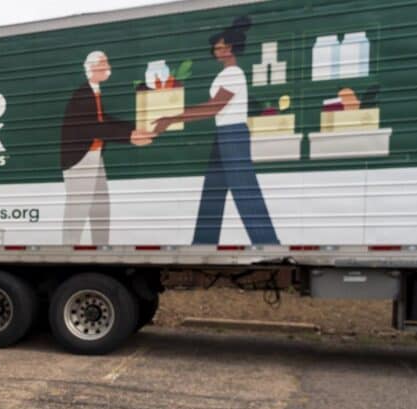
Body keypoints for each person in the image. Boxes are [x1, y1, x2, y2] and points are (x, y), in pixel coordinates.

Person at [153, 16, 281, 245]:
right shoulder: (227, 74)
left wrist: (172, 118)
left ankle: (268, 244)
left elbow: (214, 107)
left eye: (219, 47)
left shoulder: (233, 74)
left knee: (245, 192)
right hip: (224, 133)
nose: (215, 51)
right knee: (212, 192)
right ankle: (202, 243)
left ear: (230, 49)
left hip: (232, 134)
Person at [60, 50, 154, 246]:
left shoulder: (94, 92)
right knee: (78, 210)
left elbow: (104, 120)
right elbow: (93, 127)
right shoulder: (83, 95)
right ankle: (68, 248)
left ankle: (100, 247)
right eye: (104, 63)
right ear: (93, 68)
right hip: (81, 160)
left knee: (100, 207)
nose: (108, 67)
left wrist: (133, 130)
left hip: (94, 157)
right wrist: (129, 136)